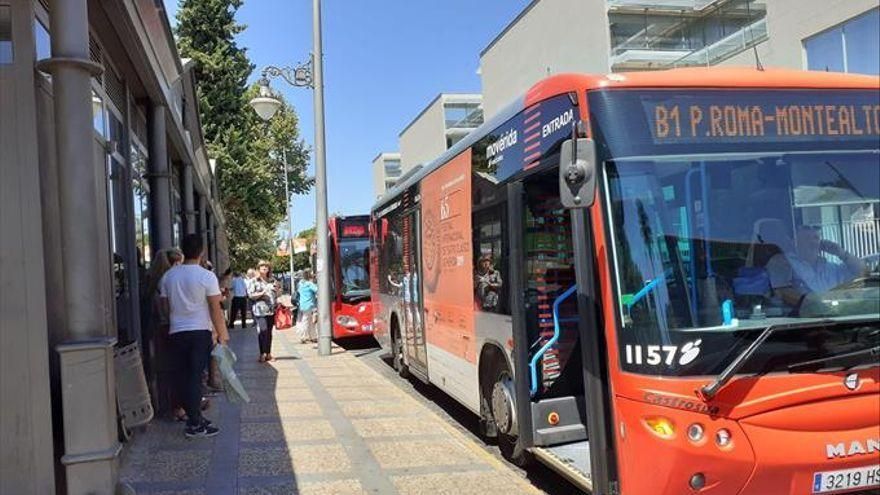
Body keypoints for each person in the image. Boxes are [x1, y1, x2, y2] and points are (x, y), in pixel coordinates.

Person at [159, 234, 229, 438]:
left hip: (176, 332)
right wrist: (222, 335)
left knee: (183, 376)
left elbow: (164, 306)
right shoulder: (207, 276)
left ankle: (194, 417)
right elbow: (215, 308)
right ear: (202, 252)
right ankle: (195, 422)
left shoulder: (169, 276)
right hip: (199, 332)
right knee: (195, 377)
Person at [767, 225, 866, 311]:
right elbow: (782, 292)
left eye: (816, 238)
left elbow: (864, 273)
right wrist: (817, 306)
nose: (813, 242)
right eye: (807, 238)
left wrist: (841, 253)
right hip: (800, 322)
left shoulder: (831, 268)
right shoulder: (782, 261)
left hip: (837, 319)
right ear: (794, 242)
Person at [248, 260, 279, 362]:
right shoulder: (254, 281)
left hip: (271, 310)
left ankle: (268, 353)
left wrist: (278, 290)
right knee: (263, 331)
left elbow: (277, 293)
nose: (265, 268)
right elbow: (251, 295)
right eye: (262, 266)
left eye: (266, 266)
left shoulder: (272, 280)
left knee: (269, 332)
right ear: (258, 269)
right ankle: (262, 353)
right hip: (260, 310)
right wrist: (262, 293)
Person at [296, 270, 319, 344]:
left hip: (302, 304)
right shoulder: (309, 284)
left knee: (309, 321)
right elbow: (317, 290)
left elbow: (299, 291)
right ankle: (303, 337)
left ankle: (313, 336)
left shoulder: (300, 283)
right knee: (307, 321)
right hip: (310, 304)